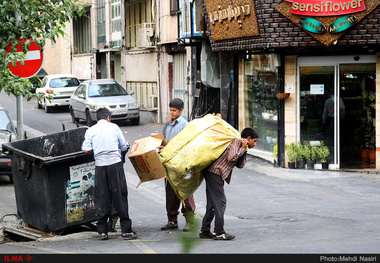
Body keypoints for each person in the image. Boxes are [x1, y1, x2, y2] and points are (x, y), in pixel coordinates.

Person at [82, 107, 136, 241]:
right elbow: (123, 146)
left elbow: (86, 150)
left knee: (101, 197)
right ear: (108, 118)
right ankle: (126, 230)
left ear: (97, 119)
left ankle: (102, 231)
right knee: (120, 195)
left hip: (100, 166)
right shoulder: (114, 127)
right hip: (115, 165)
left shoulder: (91, 130)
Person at [199, 127, 258, 240]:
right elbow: (232, 157)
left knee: (212, 203)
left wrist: (244, 149)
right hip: (215, 172)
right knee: (220, 202)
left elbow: (240, 165)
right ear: (248, 138)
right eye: (254, 141)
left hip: (215, 173)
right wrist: (242, 147)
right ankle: (219, 232)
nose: (254, 144)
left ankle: (205, 230)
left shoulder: (241, 145)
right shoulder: (236, 141)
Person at [158, 98, 196, 232]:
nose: (172, 113)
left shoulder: (185, 126)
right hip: (168, 164)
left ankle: (190, 221)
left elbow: (186, 146)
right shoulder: (167, 125)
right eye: (171, 110)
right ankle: (172, 220)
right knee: (170, 194)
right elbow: (165, 142)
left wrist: (168, 149)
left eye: (174, 110)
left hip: (182, 164)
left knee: (185, 193)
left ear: (181, 110)